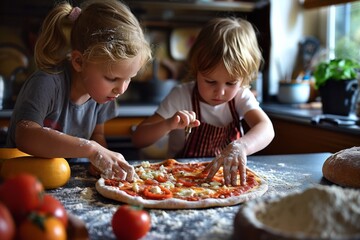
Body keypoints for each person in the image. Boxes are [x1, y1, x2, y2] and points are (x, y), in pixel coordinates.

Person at [6, 0, 152, 181]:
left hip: (65, 179)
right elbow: (25, 135)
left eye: (129, 78)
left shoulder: (103, 93)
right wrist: (90, 149)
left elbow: (96, 134)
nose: (121, 89)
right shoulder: (47, 83)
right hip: (21, 179)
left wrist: (101, 159)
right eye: (112, 78)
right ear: (79, 62)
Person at [132, 17, 274, 186]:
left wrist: (241, 146)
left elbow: (266, 129)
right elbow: (139, 139)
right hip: (180, 181)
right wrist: (168, 124)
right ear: (196, 69)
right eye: (210, 81)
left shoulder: (241, 96)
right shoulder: (181, 96)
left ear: (243, 79)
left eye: (230, 83)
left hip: (225, 180)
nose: (220, 92)